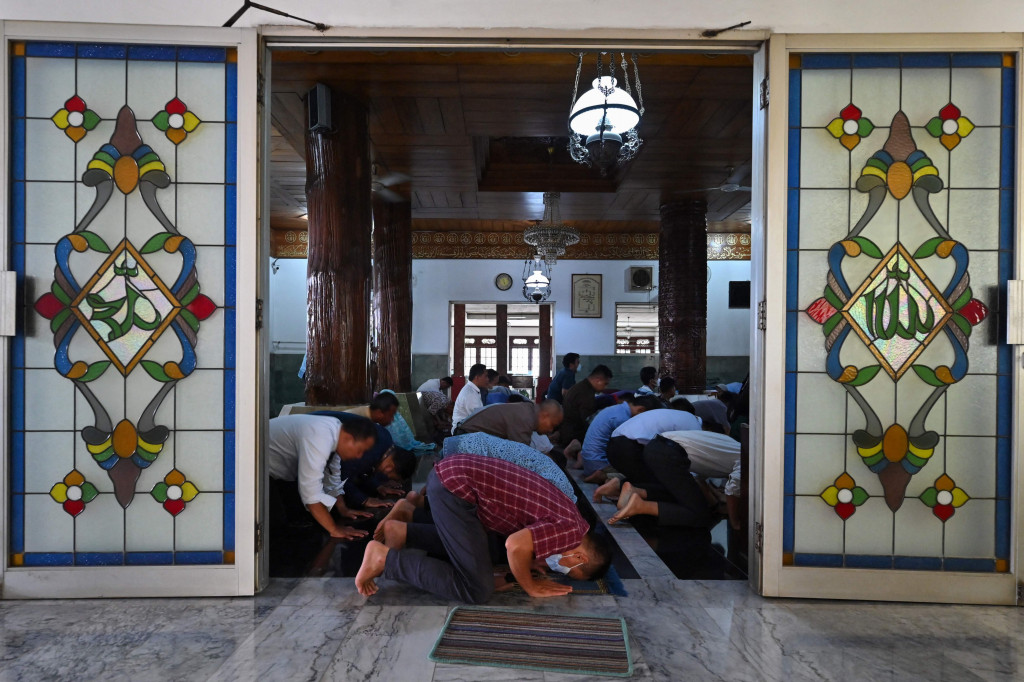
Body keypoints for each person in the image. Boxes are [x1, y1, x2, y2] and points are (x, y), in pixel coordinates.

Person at [355, 454, 612, 603]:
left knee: (488, 554)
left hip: (457, 479)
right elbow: (515, 545)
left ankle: (403, 532)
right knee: (477, 588)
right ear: (579, 557)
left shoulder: (577, 520)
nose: (561, 569)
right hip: (456, 489)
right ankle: (384, 559)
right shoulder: (570, 532)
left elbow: (524, 536)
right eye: (570, 570)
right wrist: (531, 587)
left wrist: (528, 561)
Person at [267, 413, 377, 539]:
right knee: (275, 521)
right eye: (359, 450)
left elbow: (332, 477)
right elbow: (310, 494)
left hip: (278, 468)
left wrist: (343, 509)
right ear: (348, 438)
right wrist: (334, 529)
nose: (359, 456)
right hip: (257, 464)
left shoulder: (336, 432)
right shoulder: (320, 438)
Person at [592, 404, 703, 503]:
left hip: (615, 446)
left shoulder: (681, 416)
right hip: (629, 447)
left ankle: (618, 486)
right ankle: (618, 488)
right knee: (668, 486)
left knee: (648, 480)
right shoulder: (695, 427)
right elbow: (693, 464)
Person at [580, 394, 663, 481]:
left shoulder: (617, 409)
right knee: (641, 476)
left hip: (589, 460)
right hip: (599, 464)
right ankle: (604, 476)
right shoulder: (623, 419)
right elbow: (625, 453)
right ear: (641, 410)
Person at [454, 399, 563, 446]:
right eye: (552, 425)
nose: (550, 430)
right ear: (545, 416)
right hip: (466, 438)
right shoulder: (526, 418)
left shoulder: (529, 410)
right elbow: (522, 456)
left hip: (469, 435)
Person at [560, 365, 614, 446]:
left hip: (567, 432)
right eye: (605, 384)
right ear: (598, 380)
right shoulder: (585, 394)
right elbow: (588, 422)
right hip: (574, 437)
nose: (605, 387)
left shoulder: (581, 387)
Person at [451, 363, 489, 433]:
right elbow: (477, 418)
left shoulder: (473, 390)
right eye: (485, 376)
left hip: (467, 428)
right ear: (477, 377)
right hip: (462, 431)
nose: (487, 379)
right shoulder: (469, 393)